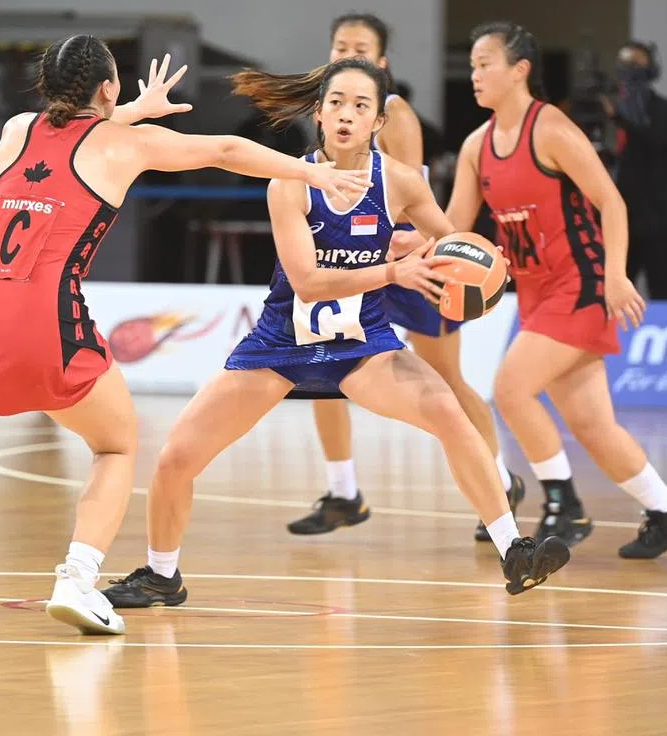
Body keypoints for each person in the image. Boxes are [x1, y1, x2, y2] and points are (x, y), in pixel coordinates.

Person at [0, 37, 372, 636]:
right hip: (43, 319)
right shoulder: (127, 145)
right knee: (115, 446)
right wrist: (309, 173)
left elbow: (72, 131)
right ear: (108, 89)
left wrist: (131, 108)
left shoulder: (16, 129)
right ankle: (78, 581)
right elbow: (225, 148)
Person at [101, 58, 572, 611]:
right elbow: (308, 281)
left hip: (362, 344)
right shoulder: (290, 182)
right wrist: (395, 270)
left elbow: (449, 244)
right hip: (282, 345)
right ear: (319, 114)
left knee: (449, 412)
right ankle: (162, 576)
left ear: (378, 122)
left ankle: (513, 550)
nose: (347, 115)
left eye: (361, 106)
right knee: (175, 458)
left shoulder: (397, 182)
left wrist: (483, 269)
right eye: (337, 104)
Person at [411, 21, 667, 558]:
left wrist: (616, 274)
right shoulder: (476, 147)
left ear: (519, 70)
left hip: (582, 282)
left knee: (512, 388)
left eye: (483, 64)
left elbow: (612, 202)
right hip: (537, 292)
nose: (473, 75)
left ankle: (563, 502)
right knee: (592, 424)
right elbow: (452, 225)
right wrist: (399, 239)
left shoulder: (551, 130)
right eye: (471, 66)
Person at [291, 12, 524, 543]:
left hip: (406, 261)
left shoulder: (392, 113)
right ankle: (343, 490)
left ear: (383, 62)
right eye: (340, 44)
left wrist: (404, 242)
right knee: (324, 368)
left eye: (361, 46)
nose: (348, 51)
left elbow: (408, 194)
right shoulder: (332, 111)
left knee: (445, 381)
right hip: (356, 263)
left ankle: (499, 479)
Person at [601, 40, 667, 301]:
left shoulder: (663, 109)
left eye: (635, 63)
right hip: (627, 217)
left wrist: (620, 120)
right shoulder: (619, 108)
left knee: (660, 286)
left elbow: (657, 142)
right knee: (619, 284)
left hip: (658, 219)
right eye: (624, 64)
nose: (629, 69)